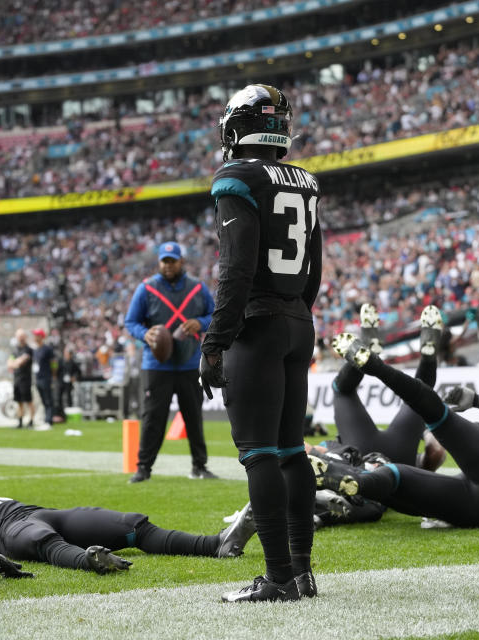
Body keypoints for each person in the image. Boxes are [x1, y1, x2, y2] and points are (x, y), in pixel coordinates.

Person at [198, 84, 322, 603]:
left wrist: (215, 342)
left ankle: (276, 578)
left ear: (237, 127)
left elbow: (236, 269)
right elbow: (314, 266)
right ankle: (302, 572)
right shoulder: (305, 180)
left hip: (260, 325)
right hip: (297, 321)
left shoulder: (237, 176)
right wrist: (297, 314)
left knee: (261, 454)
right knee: (292, 452)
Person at [315, 332, 479, 529]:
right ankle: (358, 481)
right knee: (396, 474)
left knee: (437, 415)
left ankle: (375, 366)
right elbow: (435, 454)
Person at [0, 466, 258, 573]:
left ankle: (216, 544)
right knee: (44, 542)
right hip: (9, 531)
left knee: (131, 525)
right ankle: (89, 561)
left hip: (34, 511)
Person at [124, 240, 217, 482]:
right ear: (159, 263)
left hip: (190, 363)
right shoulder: (146, 289)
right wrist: (144, 334)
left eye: (172, 261)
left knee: (194, 418)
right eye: (164, 262)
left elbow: (215, 314)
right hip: (156, 365)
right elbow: (131, 322)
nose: (168, 266)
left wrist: (201, 323)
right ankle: (143, 468)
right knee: (152, 418)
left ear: (181, 261)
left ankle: (200, 466)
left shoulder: (197, 288)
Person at [321, 303, 447, 472]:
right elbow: (437, 453)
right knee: (342, 391)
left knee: (419, 396)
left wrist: (426, 433)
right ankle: (368, 348)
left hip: (375, 460)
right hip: (394, 460)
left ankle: (425, 358)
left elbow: (437, 453)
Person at [7, 328, 34, 429]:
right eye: (19, 336)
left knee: (28, 401)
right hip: (17, 379)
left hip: (26, 379)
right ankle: (20, 421)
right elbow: (10, 363)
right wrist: (15, 362)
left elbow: (20, 362)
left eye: (22, 336)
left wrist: (15, 363)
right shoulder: (15, 350)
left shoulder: (28, 350)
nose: (21, 338)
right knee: (19, 402)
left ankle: (31, 421)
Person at [32, 328, 57, 428]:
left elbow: (54, 362)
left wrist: (54, 376)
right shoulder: (36, 349)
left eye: (36, 335)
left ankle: (49, 421)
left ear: (41, 337)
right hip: (38, 378)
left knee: (48, 399)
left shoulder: (47, 349)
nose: (35, 337)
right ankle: (46, 419)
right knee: (43, 400)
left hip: (46, 377)